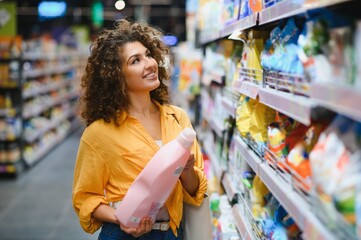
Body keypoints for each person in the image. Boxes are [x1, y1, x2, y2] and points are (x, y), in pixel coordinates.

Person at [72, 18, 208, 240]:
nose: (149, 64)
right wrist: (121, 218)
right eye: (136, 61)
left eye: (148, 55)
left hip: (173, 233)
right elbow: (85, 198)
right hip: (123, 234)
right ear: (116, 76)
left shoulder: (177, 118)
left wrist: (186, 171)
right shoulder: (99, 133)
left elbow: (196, 192)